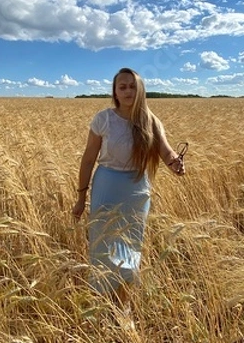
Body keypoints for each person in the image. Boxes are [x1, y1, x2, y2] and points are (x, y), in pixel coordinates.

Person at [72, 67, 186, 316]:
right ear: (114, 91)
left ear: (140, 89)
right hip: (106, 185)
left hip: (136, 190)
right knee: (102, 246)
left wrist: (175, 163)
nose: (127, 91)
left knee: (130, 247)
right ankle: (101, 304)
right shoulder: (103, 119)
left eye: (132, 86)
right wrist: (81, 196)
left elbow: (165, 151)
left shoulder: (150, 120)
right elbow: (88, 159)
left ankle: (123, 304)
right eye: (122, 86)